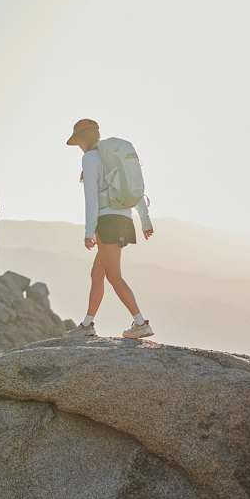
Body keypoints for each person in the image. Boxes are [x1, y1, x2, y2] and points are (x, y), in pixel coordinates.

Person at [66, 119, 155, 339]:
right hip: (123, 220)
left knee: (114, 277)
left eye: (78, 142)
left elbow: (91, 199)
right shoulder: (114, 157)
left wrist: (89, 232)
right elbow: (135, 187)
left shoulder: (90, 158)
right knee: (97, 273)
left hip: (106, 222)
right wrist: (145, 221)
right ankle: (87, 324)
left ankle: (140, 322)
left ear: (82, 140)